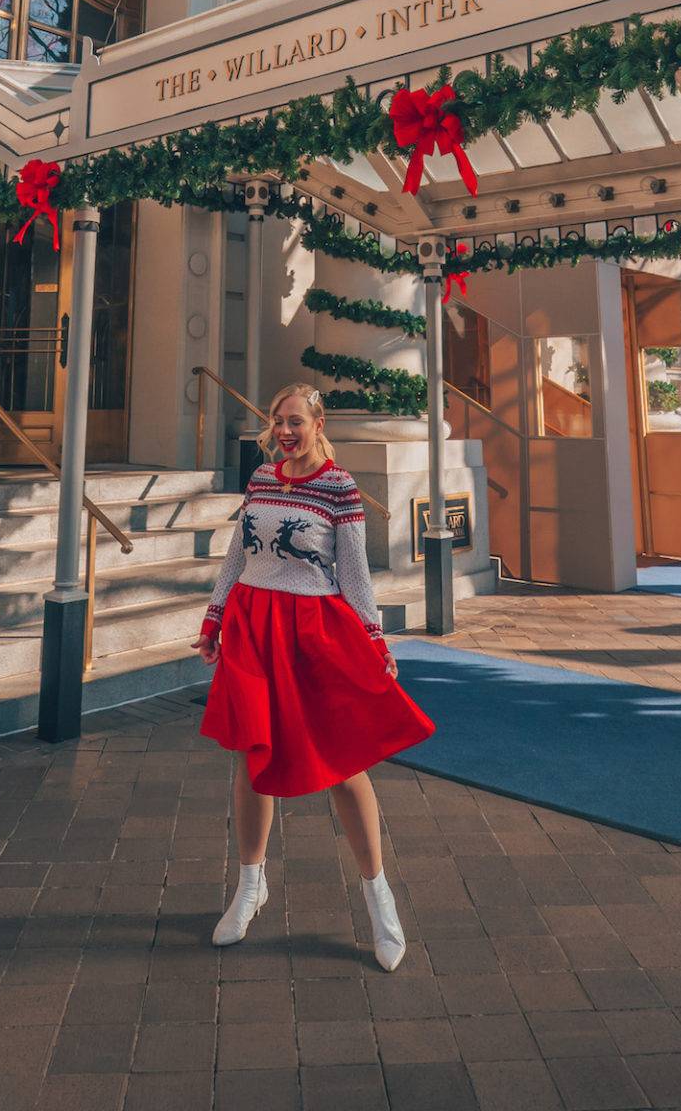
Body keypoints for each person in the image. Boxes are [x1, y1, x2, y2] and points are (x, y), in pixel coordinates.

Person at [193, 382, 435, 969]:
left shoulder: (339, 488)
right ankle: (251, 886)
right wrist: (215, 613)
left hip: (312, 633)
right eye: (278, 421)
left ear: (318, 422)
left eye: (295, 421)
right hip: (252, 626)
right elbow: (237, 554)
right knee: (254, 758)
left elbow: (354, 575)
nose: (285, 431)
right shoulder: (261, 479)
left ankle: (378, 897)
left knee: (343, 766)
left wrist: (374, 636)